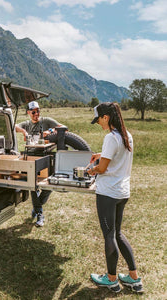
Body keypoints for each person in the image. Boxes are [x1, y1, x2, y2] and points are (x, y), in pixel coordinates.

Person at [87, 102, 143, 293]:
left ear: (106, 117)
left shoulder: (111, 137)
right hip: (122, 193)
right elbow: (118, 156)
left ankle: (111, 279)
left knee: (110, 236)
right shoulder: (127, 135)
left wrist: (90, 170)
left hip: (108, 193)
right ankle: (134, 278)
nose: (98, 124)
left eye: (99, 120)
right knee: (117, 233)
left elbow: (102, 169)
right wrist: (101, 155)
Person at [15, 101, 63, 227]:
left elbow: (63, 127)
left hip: (45, 156)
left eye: (38, 111)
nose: (37, 114)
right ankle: (40, 214)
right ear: (29, 113)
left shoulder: (46, 121)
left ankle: (37, 207)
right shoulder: (26, 124)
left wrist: (51, 131)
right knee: (33, 186)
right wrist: (24, 132)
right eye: (34, 112)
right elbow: (14, 126)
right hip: (31, 157)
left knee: (48, 185)